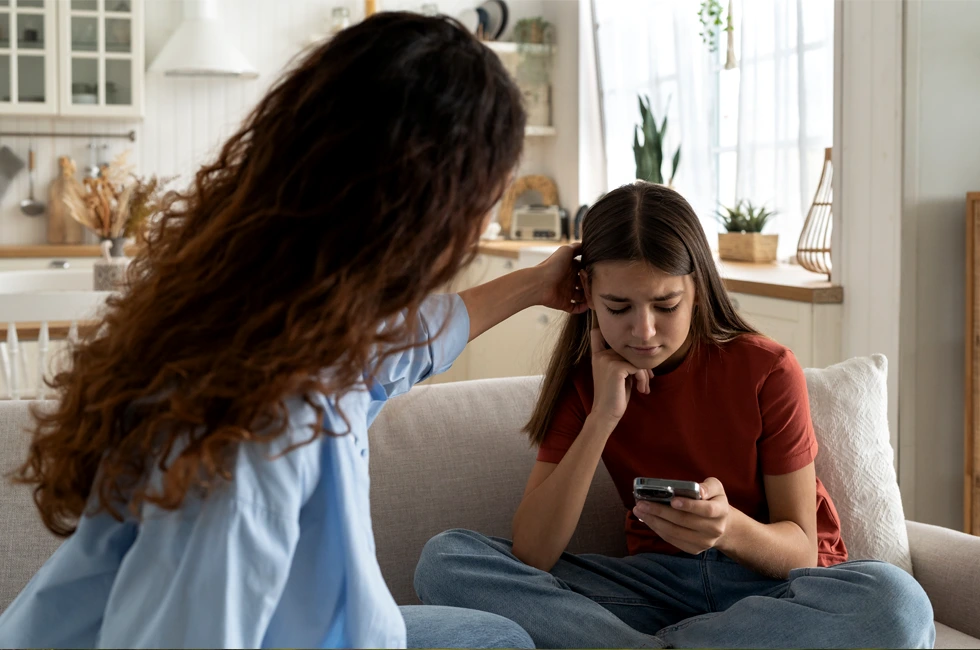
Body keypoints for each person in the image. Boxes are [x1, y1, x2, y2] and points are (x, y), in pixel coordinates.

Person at [0, 13, 585, 649]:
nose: (479, 230)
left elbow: (400, 346)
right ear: (427, 211)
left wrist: (533, 285)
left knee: (491, 636)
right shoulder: (261, 433)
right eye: (483, 203)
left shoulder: (280, 314)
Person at [415, 182, 936, 649]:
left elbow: (801, 550)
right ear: (586, 295)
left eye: (666, 306)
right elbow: (532, 553)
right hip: (652, 590)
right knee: (446, 560)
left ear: (697, 290)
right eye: (618, 308)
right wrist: (602, 418)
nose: (643, 331)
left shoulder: (766, 369)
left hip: (772, 594)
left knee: (895, 602)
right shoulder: (586, 382)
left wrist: (727, 528)